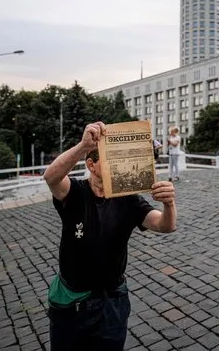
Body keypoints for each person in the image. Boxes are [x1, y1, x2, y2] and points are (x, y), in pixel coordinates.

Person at [43, 121, 177, 350]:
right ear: (91, 165)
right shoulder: (75, 192)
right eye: (110, 159)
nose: (117, 164)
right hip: (73, 302)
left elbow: (164, 226)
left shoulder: (128, 198)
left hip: (112, 301)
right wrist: (83, 145)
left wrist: (169, 205)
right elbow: (51, 177)